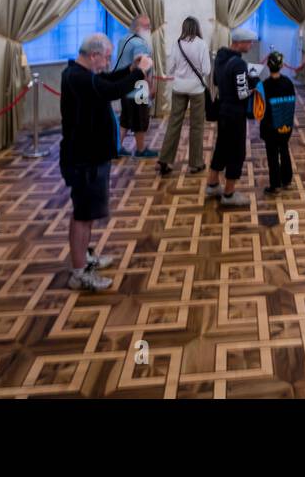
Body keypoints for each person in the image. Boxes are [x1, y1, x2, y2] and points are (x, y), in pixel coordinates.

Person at [60, 33, 152, 291]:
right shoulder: (78, 78)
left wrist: (131, 68)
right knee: (83, 216)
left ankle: (84, 258)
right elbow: (109, 90)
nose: (108, 62)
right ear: (94, 55)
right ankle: (79, 272)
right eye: (107, 57)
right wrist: (139, 74)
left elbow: (105, 80)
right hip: (85, 159)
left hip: (89, 156)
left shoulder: (79, 73)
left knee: (84, 214)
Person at [209, 27, 264, 206]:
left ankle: (212, 184)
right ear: (238, 43)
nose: (250, 45)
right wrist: (254, 84)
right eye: (248, 42)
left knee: (221, 147)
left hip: (223, 109)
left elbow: (217, 81)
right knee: (236, 152)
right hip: (235, 113)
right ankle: (229, 194)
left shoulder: (220, 57)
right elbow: (242, 93)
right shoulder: (239, 64)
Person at [156, 16, 210, 177]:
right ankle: (195, 164)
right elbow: (206, 70)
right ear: (197, 27)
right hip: (196, 89)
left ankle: (165, 159)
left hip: (178, 87)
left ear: (184, 28)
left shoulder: (176, 43)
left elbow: (170, 69)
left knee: (174, 123)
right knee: (197, 126)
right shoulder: (201, 44)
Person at [112, 15, 158, 159]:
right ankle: (140, 149)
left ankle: (117, 148)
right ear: (137, 27)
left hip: (123, 86)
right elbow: (141, 66)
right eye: (146, 26)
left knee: (125, 119)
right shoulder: (140, 44)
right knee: (141, 119)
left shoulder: (123, 39)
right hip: (138, 89)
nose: (149, 29)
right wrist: (151, 86)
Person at [257, 50, 297, 195]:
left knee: (272, 154)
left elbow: (260, 109)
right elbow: (292, 104)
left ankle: (275, 185)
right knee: (284, 149)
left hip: (270, 127)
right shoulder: (288, 83)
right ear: (282, 66)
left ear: (268, 65)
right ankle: (286, 180)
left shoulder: (264, 85)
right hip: (285, 124)